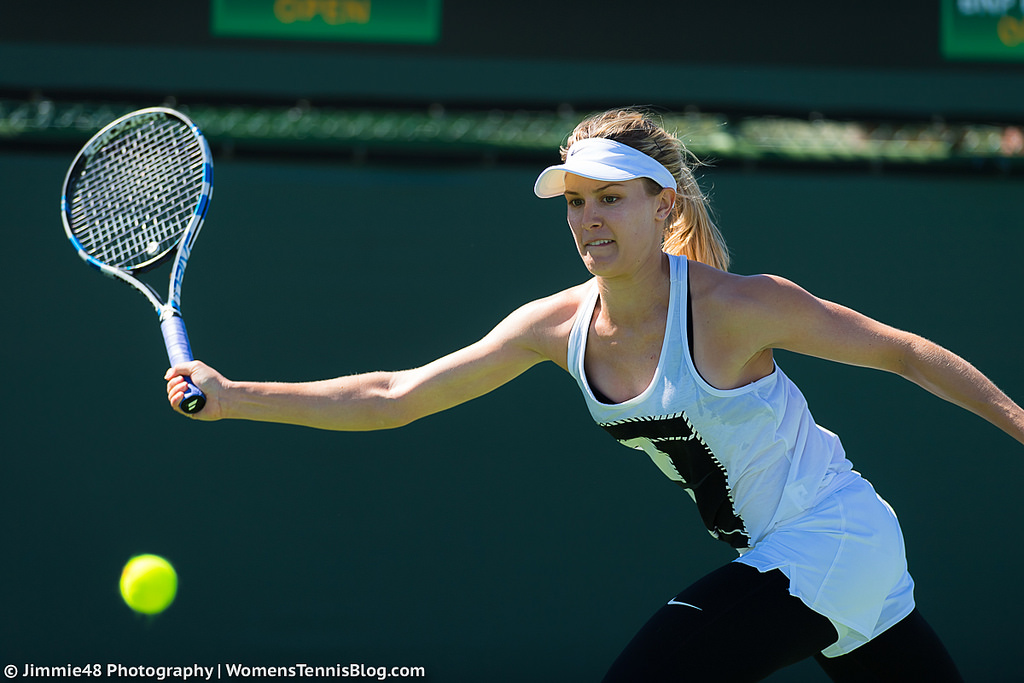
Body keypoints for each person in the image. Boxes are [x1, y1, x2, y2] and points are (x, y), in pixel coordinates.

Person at [166, 107, 1024, 681]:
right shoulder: (554, 325)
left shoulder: (738, 308)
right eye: (576, 202)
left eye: (611, 198)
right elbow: (397, 393)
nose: (589, 220)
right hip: (803, 559)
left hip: (831, 537)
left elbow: (906, 353)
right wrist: (235, 394)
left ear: (663, 205)